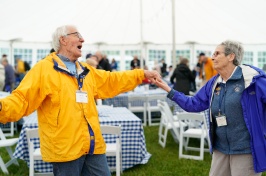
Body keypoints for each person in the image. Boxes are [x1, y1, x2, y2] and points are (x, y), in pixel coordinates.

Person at [0, 25, 161, 176]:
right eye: (77, 35)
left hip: (92, 146)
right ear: (63, 40)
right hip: (65, 151)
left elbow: (112, 80)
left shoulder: (85, 70)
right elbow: (22, 99)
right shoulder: (43, 69)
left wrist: (141, 74)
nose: (82, 40)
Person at [155, 40, 266, 175]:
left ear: (231, 57)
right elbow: (193, 104)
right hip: (220, 149)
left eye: (217, 53)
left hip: (246, 150)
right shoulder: (214, 83)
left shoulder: (252, 80)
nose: (212, 57)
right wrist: (168, 89)